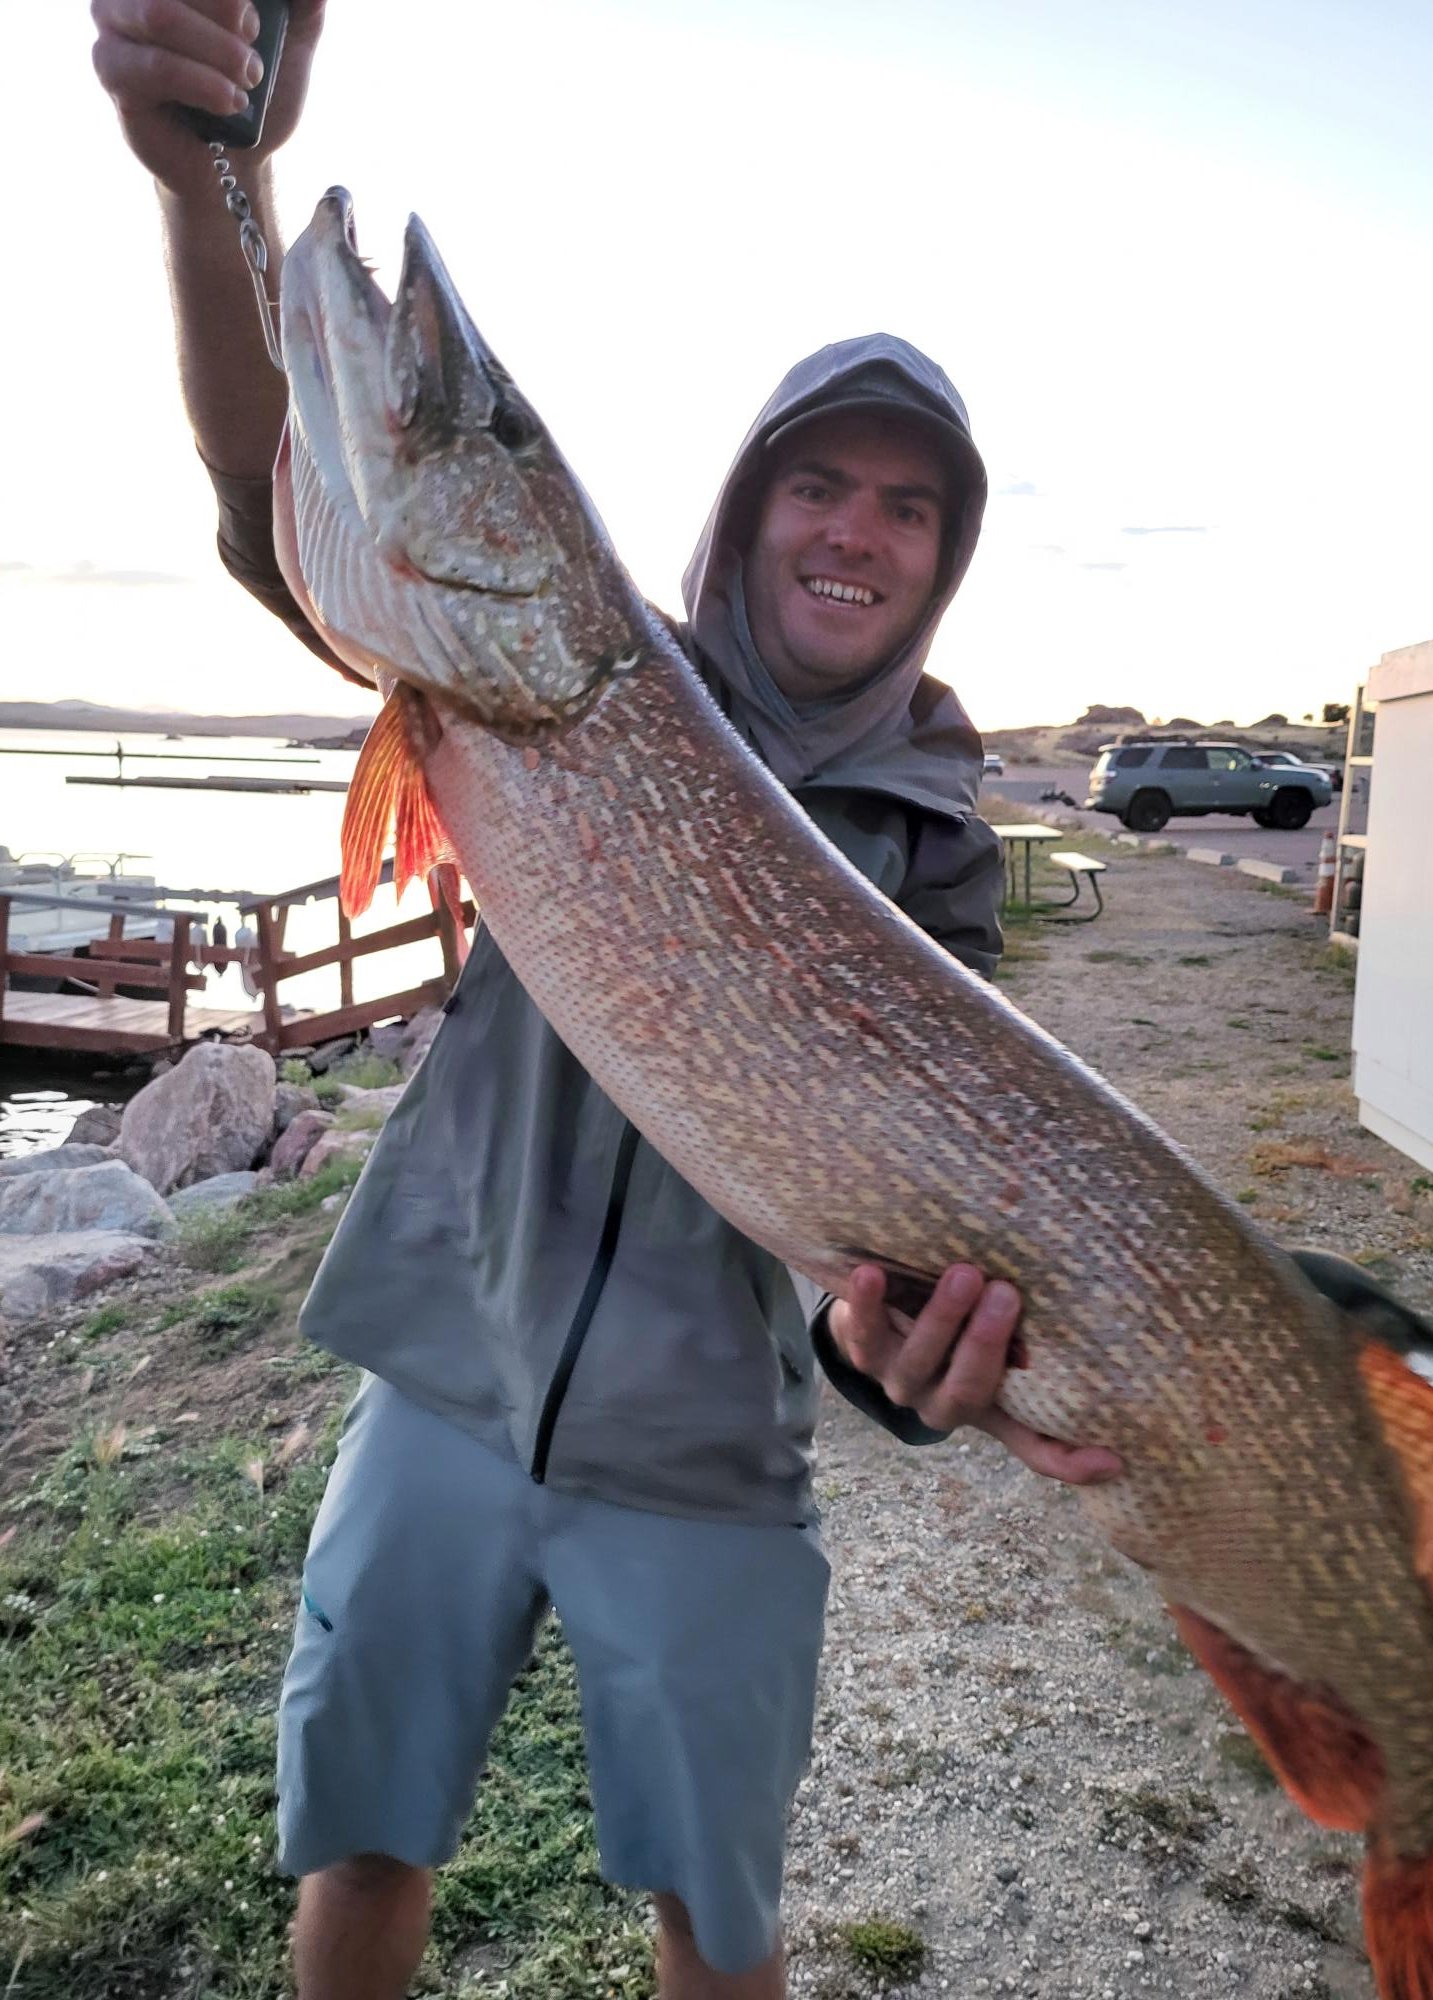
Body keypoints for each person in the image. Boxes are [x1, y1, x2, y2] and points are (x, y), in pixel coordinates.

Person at [93, 8, 1122, 1997]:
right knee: (366, 1830)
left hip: (707, 1450)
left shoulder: (937, 855)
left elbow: (897, 1255)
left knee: (711, 1914)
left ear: (942, 561)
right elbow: (269, 481)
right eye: (817, 482)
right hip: (444, 1376)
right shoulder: (557, 662)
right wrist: (209, 177)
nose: (854, 528)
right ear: (747, 507)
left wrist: (908, 1356)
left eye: (907, 508)